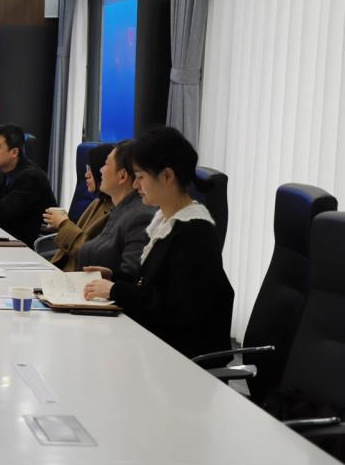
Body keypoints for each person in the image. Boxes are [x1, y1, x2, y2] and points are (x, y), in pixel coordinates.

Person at [84, 126, 234, 360]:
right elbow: (151, 285)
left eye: (141, 177)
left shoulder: (194, 233)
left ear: (167, 176)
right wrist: (114, 277)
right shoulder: (165, 220)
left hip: (181, 359)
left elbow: (175, 309)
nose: (136, 186)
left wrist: (115, 290)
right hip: (157, 345)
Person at [76, 140, 156, 282]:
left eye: (106, 164)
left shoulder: (140, 216)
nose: (100, 170)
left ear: (122, 176)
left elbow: (130, 279)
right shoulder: (120, 209)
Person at [43, 142, 115, 271]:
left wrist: (63, 223)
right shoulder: (98, 202)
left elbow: (87, 253)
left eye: (91, 168)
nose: (86, 174)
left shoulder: (115, 210)